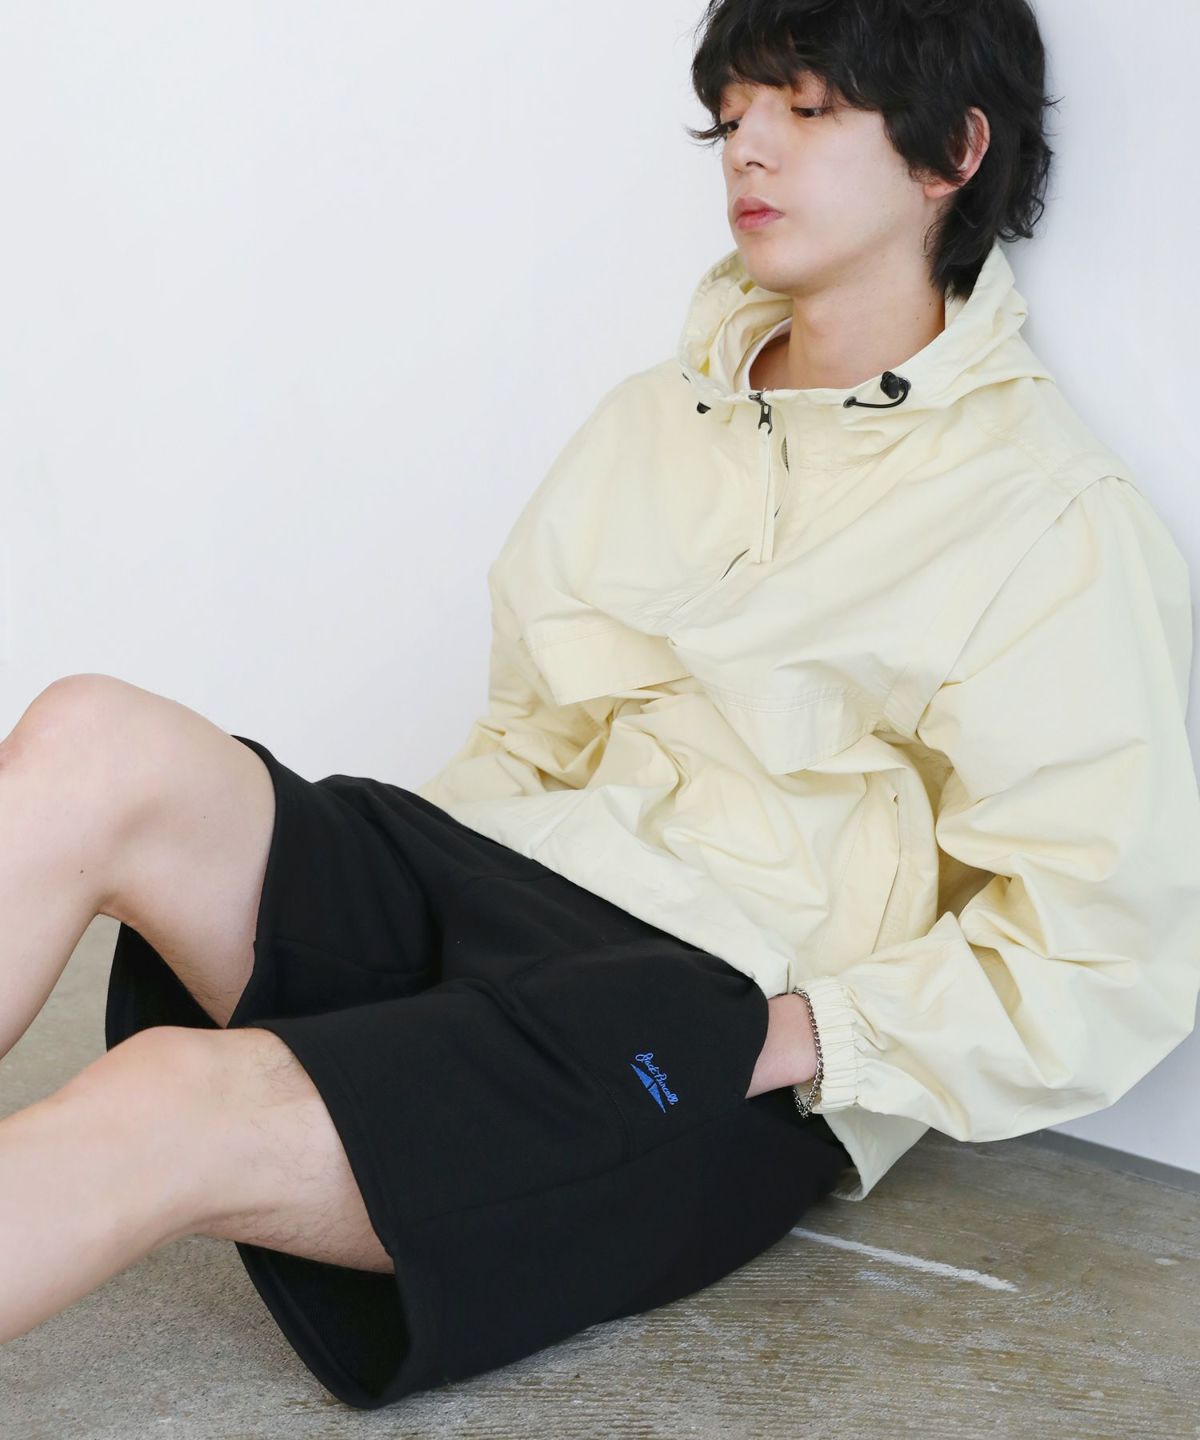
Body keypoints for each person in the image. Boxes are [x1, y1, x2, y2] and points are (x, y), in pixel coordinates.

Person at [2, 0, 1197, 1414]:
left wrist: (802, 1035)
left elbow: (1106, 944)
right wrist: (411, 957)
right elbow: (529, 727)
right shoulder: (658, 417)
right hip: (501, 878)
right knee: (92, 735)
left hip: (705, 1001)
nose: (747, 147)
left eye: (808, 109)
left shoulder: (1045, 515)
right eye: (735, 112)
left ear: (954, 153)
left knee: (161, 1099)